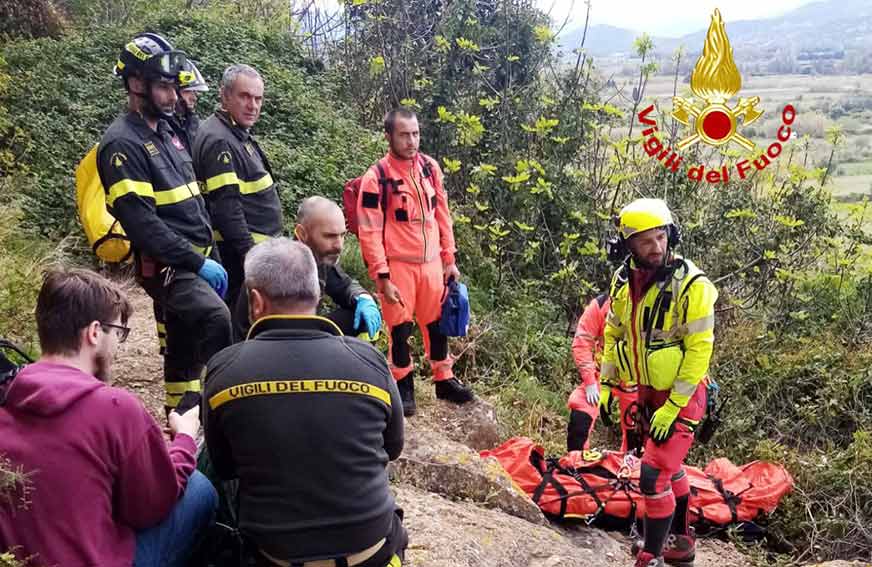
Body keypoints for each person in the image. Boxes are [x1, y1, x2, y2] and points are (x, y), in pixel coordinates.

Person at [203, 238, 407, 567]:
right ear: (317, 293)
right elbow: (393, 447)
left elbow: (225, 467)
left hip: (275, 558)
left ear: (255, 301)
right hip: (372, 553)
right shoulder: (369, 361)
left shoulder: (225, 370)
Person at [0, 268, 216, 567]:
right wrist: (185, 439)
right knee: (199, 490)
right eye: (118, 333)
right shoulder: (114, 408)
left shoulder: (8, 398)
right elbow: (152, 506)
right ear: (94, 332)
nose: (117, 345)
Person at [97, 32, 232, 413]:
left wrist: (212, 252)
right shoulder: (121, 145)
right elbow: (143, 225)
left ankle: (180, 419)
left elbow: (192, 201)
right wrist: (196, 262)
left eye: (175, 87)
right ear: (136, 83)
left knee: (183, 344)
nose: (173, 97)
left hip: (199, 254)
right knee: (216, 320)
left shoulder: (169, 129)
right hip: (171, 264)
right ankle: (226, 412)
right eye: (163, 87)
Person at [600, 199, 718, 567]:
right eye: (646, 241)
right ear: (628, 246)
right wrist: (607, 385)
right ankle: (681, 543)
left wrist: (673, 406)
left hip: (684, 395)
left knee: (652, 474)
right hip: (648, 390)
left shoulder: (692, 285)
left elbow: (699, 352)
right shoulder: (624, 281)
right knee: (670, 468)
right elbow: (614, 333)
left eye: (662, 237)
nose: (657, 247)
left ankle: (651, 554)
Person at [355, 108, 473, 416]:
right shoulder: (376, 177)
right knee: (399, 328)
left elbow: (442, 216)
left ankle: (444, 379)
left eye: (416, 134)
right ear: (389, 136)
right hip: (398, 266)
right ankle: (403, 385)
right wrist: (381, 275)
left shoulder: (430, 169)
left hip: (432, 263)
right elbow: (368, 231)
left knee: (437, 324)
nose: (411, 141)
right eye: (404, 135)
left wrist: (449, 257)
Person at [192, 64, 283, 315]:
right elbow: (226, 209)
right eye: (244, 96)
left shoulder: (235, 133)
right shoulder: (220, 140)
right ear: (224, 96)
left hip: (252, 255)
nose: (252, 105)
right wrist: (253, 259)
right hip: (239, 259)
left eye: (258, 98)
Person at [295, 196, 381, 338]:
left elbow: (343, 285)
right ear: (302, 234)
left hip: (310, 332)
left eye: (342, 235)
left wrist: (363, 298)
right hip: (277, 343)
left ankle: (360, 358)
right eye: (329, 236)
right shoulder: (279, 268)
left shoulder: (319, 258)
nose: (339, 246)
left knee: (361, 318)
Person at [566, 293, 640, 453]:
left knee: (636, 437)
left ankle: (630, 470)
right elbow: (582, 341)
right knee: (580, 418)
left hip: (636, 381)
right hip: (602, 374)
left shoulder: (654, 306)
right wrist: (589, 381)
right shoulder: (601, 305)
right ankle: (576, 465)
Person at [173, 59, 209, 152]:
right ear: (173, 91)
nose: (194, 98)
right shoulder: (161, 129)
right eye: (188, 91)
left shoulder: (194, 125)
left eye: (195, 92)